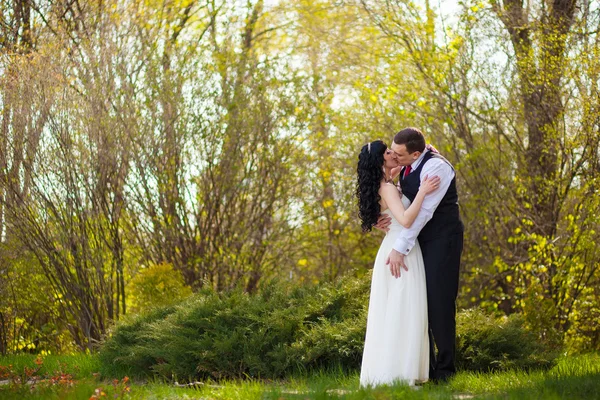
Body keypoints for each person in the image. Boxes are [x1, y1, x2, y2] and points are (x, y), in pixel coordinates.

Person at [377, 127, 464, 383]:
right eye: (392, 150)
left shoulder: (436, 168)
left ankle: (445, 372)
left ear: (416, 153)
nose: (393, 155)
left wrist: (398, 248)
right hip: (417, 242)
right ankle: (425, 368)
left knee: (439, 303)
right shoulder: (405, 166)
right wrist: (376, 219)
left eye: (399, 154)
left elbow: (422, 214)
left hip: (442, 241)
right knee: (418, 304)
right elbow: (383, 193)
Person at [356, 140, 440, 387]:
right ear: (381, 159)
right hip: (400, 253)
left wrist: (427, 151)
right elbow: (404, 219)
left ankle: (397, 371)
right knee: (402, 310)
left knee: (398, 310)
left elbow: (394, 176)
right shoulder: (388, 189)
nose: (394, 154)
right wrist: (423, 191)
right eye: (388, 152)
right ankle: (399, 374)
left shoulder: (386, 182)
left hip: (397, 248)